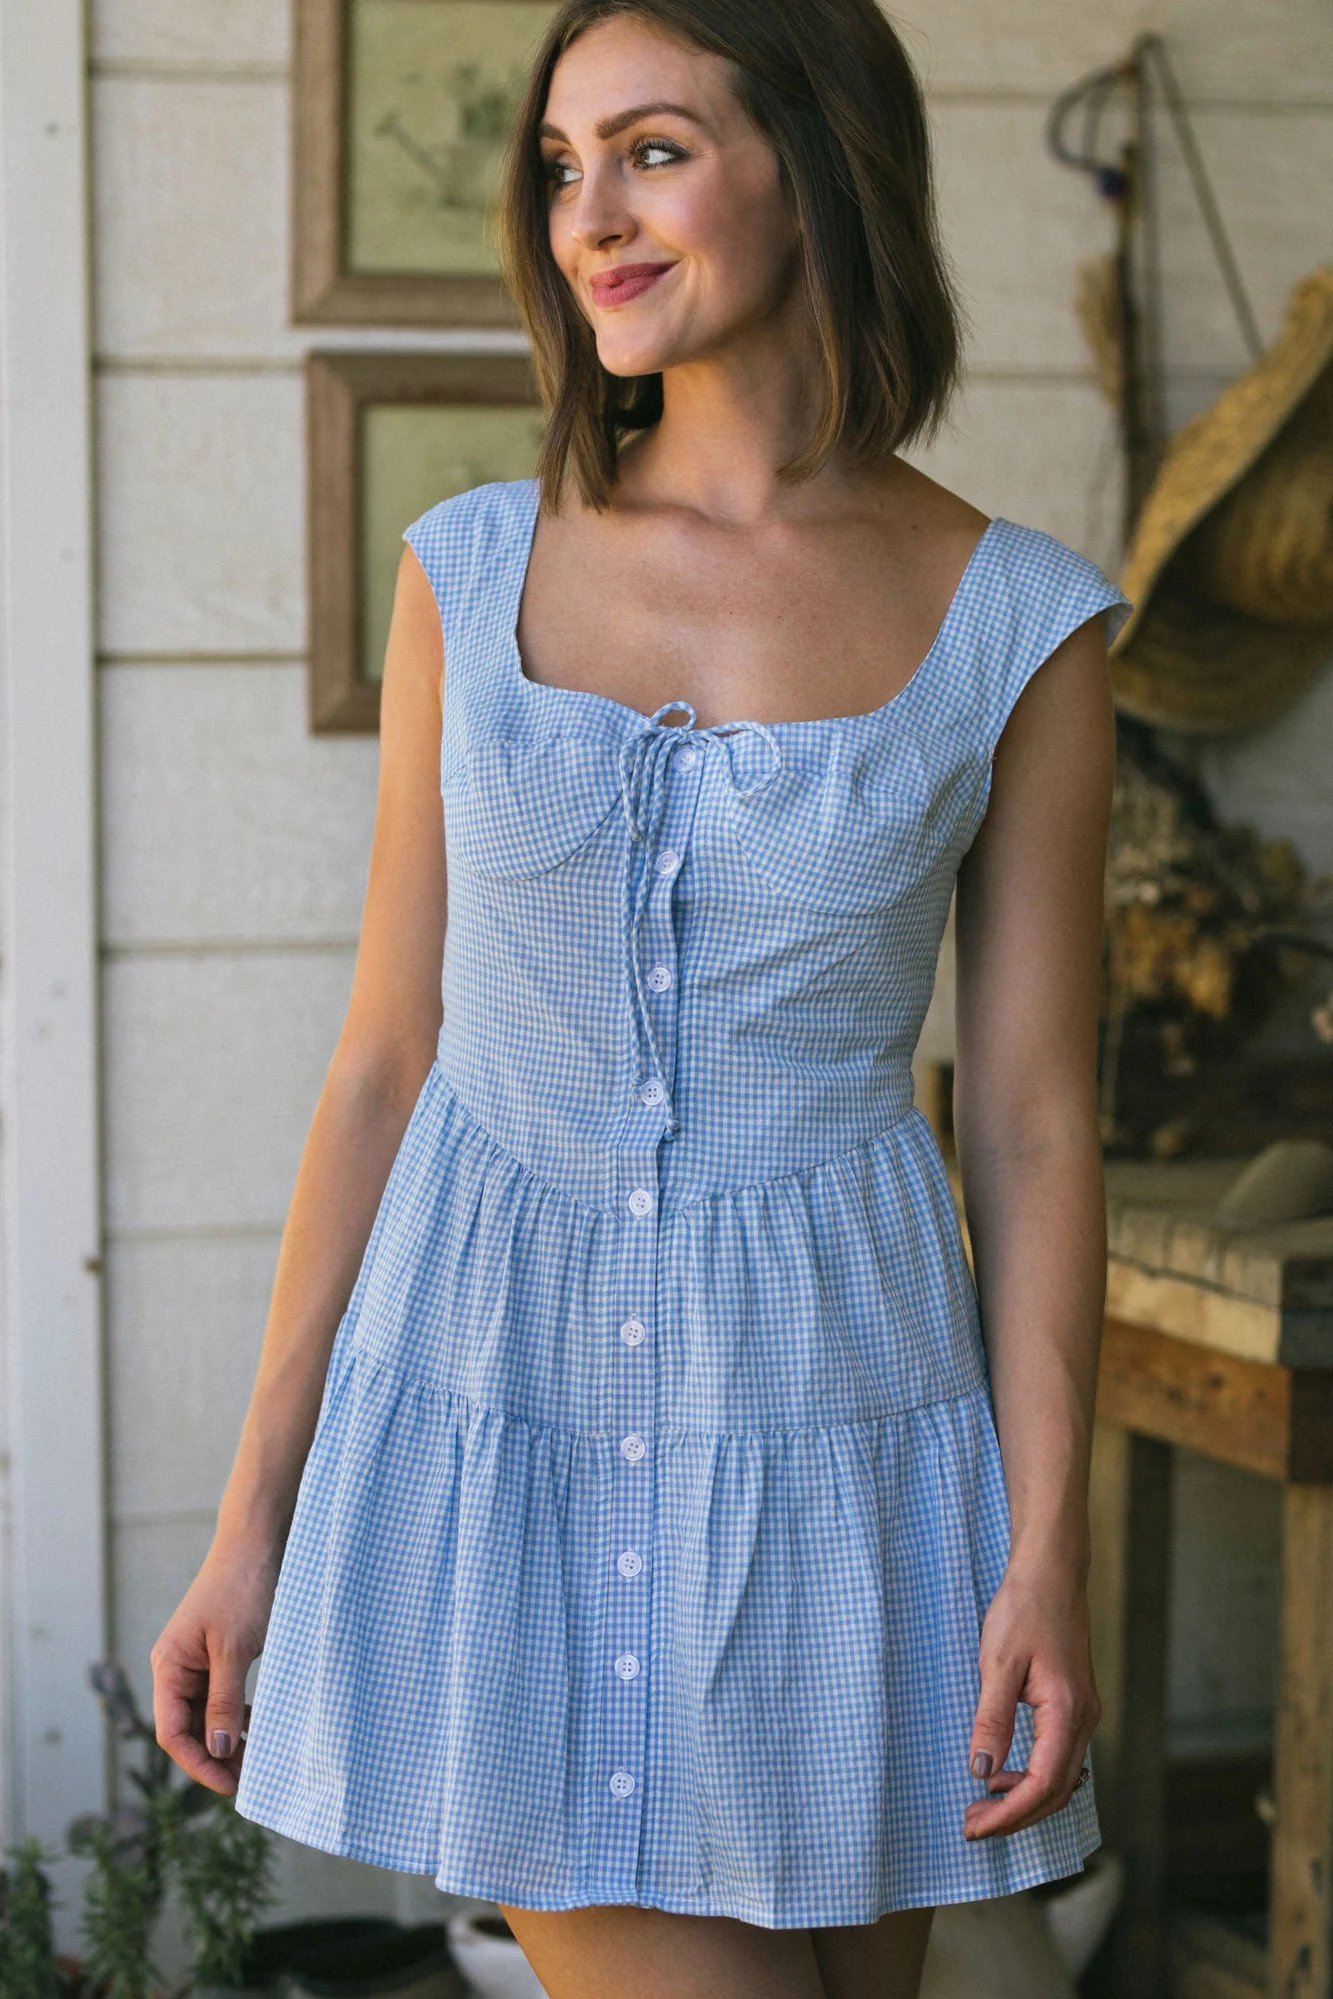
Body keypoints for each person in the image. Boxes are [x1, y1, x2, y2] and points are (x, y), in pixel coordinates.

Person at [151, 2, 1131, 1993]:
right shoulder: (475, 568)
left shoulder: (1020, 622)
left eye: (654, 149)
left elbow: (1033, 1122)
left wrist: (1045, 1545)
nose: (586, 211)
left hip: (852, 1455)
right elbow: (388, 1058)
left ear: (821, 160)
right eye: (561, 161)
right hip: (515, 1427)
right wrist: (252, 1515)